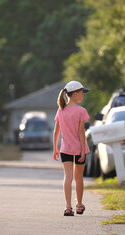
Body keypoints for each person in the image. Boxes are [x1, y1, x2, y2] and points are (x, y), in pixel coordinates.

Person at [53, 80, 90, 216]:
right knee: (78, 177)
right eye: (82, 93)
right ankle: (79, 205)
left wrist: (55, 148)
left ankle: (68, 207)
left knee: (67, 177)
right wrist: (82, 151)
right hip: (79, 149)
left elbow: (56, 131)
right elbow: (81, 133)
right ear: (75, 94)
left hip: (65, 149)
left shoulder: (61, 110)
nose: (83, 95)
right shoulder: (81, 111)